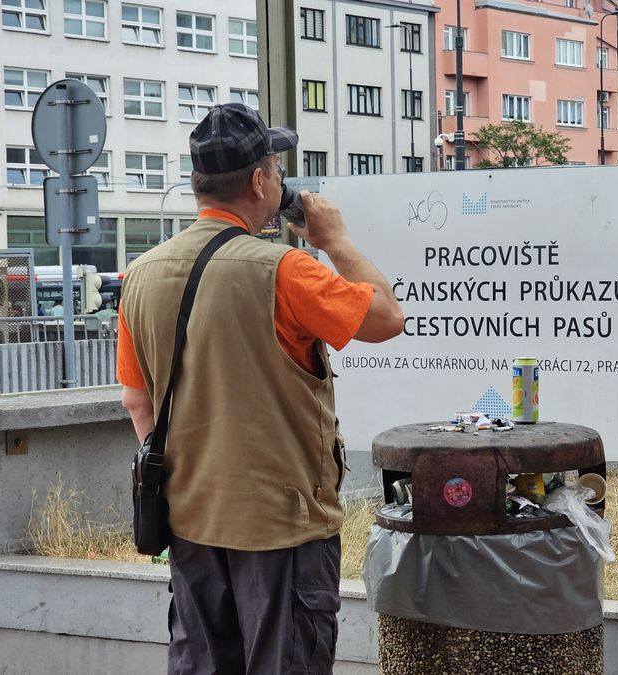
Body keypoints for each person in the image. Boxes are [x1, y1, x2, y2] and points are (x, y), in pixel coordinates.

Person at [116, 103, 404, 674]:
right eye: (276, 166)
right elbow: (387, 318)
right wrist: (336, 241)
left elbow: (137, 401)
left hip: (190, 528)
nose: (279, 177)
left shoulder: (142, 274)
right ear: (258, 181)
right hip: (281, 530)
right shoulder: (286, 271)